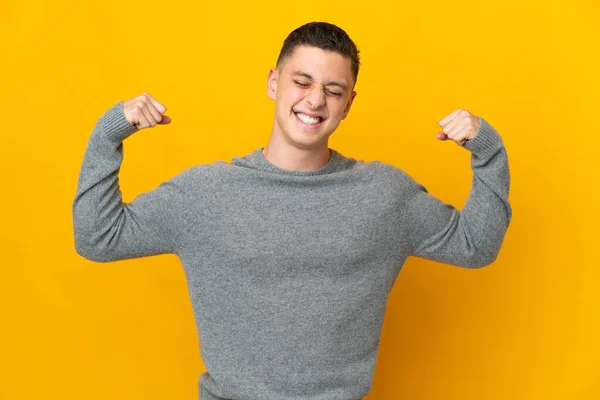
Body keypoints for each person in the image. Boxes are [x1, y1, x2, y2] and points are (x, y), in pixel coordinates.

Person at [73, 21, 511, 400]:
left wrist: (487, 151)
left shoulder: (384, 195)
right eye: (302, 82)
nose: (315, 100)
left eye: (333, 90)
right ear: (273, 83)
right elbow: (98, 238)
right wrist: (107, 134)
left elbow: (476, 245)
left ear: (348, 103)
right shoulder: (206, 194)